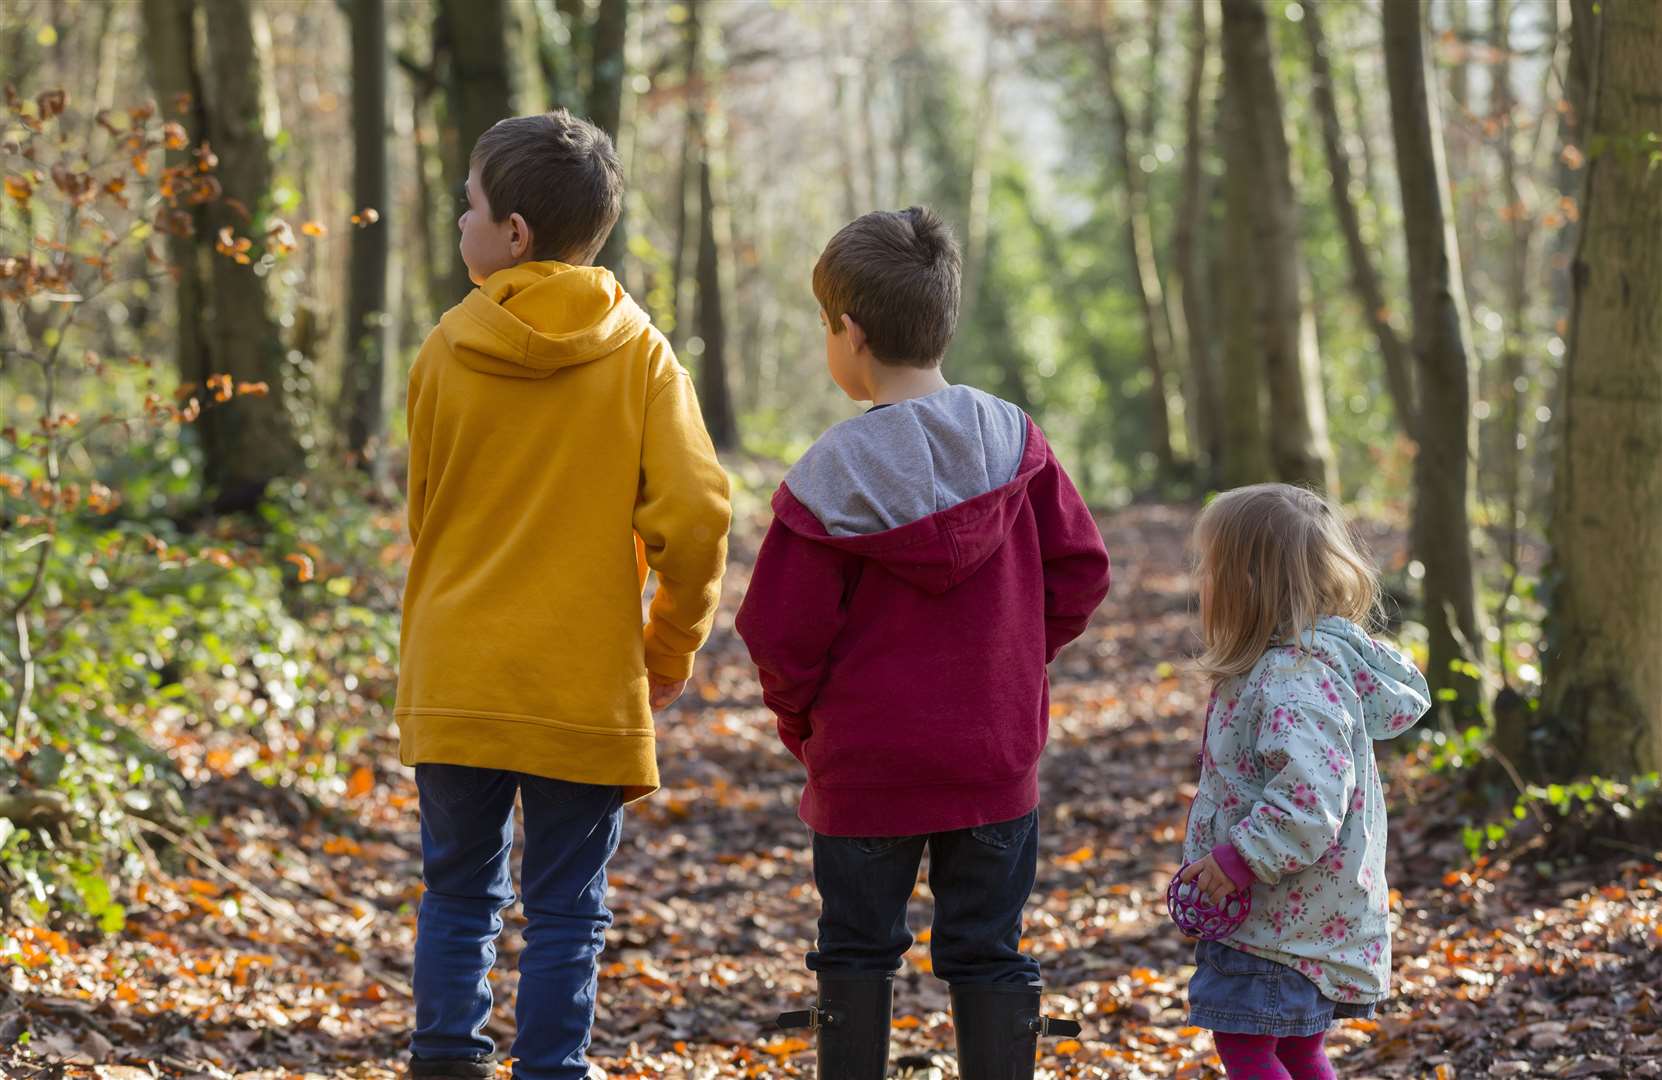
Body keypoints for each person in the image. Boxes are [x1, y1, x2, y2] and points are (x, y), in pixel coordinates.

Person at [735, 206, 1111, 1080]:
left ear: (851, 334)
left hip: (866, 771)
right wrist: (1011, 663)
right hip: (992, 761)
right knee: (988, 951)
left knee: (858, 952)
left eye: (825, 327)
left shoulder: (828, 478)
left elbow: (779, 636)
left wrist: (806, 729)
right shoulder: (1016, 442)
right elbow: (1082, 573)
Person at [396, 110, 730, 1079]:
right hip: (582, 679)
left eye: (470, 208)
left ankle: (445, 1061)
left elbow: (429, 511)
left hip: (457, 668)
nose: (459, 224)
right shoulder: (641, 356)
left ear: (515, 236)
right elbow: (700, 517)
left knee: (459, 893)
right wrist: (665, 650)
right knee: (566, 909)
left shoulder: (443, 350)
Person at [1175, 484, 1431, 1079]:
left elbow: (1310, 803)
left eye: (1209, 570)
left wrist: (1239, 857)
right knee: (1294, 1048)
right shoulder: (1289, 667)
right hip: (1296, 920)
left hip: (1280, 923)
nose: (1202, 585)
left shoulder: (1293, 678)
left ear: (1247, 584)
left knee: (1245, 1047)